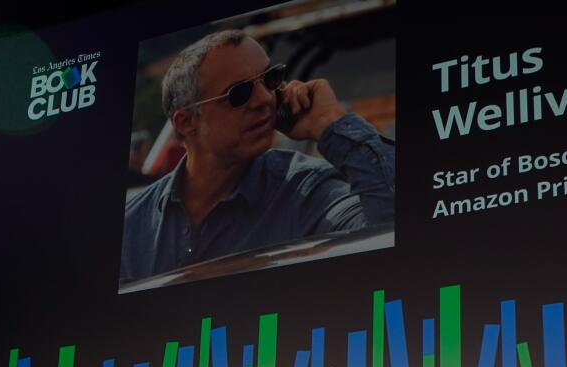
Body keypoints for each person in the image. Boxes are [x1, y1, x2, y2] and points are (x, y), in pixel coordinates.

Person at [120, 29, 395, 282]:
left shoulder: (307, 193)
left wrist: (330, 124)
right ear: (186, 122)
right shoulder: (131, 226)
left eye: (271, 80)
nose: (265, 99)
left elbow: (394, 227)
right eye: (238, 93)